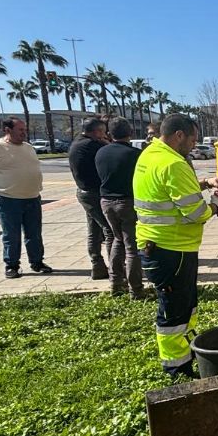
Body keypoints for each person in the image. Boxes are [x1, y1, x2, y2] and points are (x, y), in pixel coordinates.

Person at [134, 113, 218, 377]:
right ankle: (177, 367)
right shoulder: (174, 163)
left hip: (158, 245)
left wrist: (206, 182)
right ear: (179, 135)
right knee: (174, 311)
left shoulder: (151, 154)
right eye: (193, 139)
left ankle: (187, 351)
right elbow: (196, 213)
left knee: (183, 304)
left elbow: (170, 190)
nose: (194, 145)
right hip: (171, 250)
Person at [0, 118, 54, 279]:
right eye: (20, 130)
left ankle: (37, 262)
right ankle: (12, 265)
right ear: (8, 130)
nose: (24, 133)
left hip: (32, 197)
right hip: (8, 199)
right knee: (11, 234)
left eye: (25, 129)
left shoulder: (28, 148)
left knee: (34, 233)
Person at [95, 118, 146, 300]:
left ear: (110, 134)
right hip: (128, 202)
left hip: (106, 202)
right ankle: (136, 291)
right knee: (132, 248)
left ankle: (116, 283)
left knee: (118, 240)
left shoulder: (101, 152)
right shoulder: (135, 154)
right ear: (130, 132)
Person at [68, 118, 115, 280]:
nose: (104, 135)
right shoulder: (91, 145)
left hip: (84, 192)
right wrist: (106, 142)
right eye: (103, 132)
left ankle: (97, 266)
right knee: (110, 230)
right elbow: (111, 151)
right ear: (96, 131)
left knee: (94, 231)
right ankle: (115, 268)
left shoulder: (77, 143)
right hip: (94, 194)